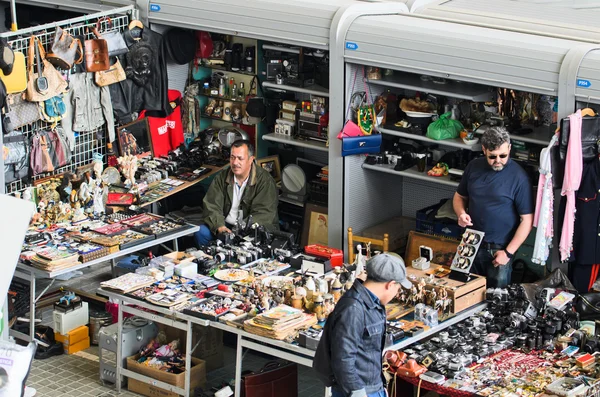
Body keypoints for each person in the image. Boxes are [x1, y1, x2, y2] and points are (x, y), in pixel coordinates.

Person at [313, 253, 413, 397]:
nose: (396, 294)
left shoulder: (373, 303)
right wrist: (358, 393)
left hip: (372, 388)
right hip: (358, 391)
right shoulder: (353, 309)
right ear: (390, 285)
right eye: (398, 288)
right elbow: (343, 358)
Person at [452, 127, 533, 288]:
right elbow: (460, 196)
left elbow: (527, 220)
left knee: (495, 301)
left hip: (499, 249)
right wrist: (461, 213)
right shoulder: (473, 167)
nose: (498, 160)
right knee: (462, 291)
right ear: (484, 149)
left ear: (509, 148)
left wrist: (508, 253)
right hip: (470, 242)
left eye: (503, 156)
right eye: (492, 156)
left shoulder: (519, 177)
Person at [194, 140, 279, 246]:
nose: (235, 162)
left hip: (251, 230)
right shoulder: (222, 177)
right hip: (225, 227)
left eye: (240, 158)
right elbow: (212, 206)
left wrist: (240, 229)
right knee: (201, 232)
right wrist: (220, 226)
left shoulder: (265, 181)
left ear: (251, 159)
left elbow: (264, 214)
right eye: (232, 157)